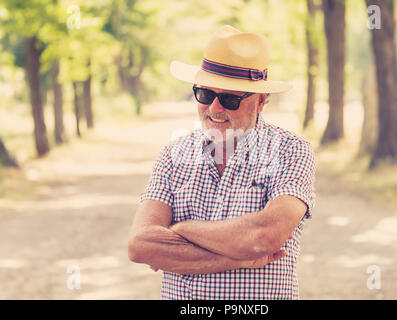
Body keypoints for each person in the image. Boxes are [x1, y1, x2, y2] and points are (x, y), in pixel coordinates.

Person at [128, 25, 316, 300]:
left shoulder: (291, 151)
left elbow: (264, 238)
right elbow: (141, 245)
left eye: (229, 98)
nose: (215, 108)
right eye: (205, 94)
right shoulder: (172, 155)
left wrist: (180, 231)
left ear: (261, 101)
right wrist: (237, 259)